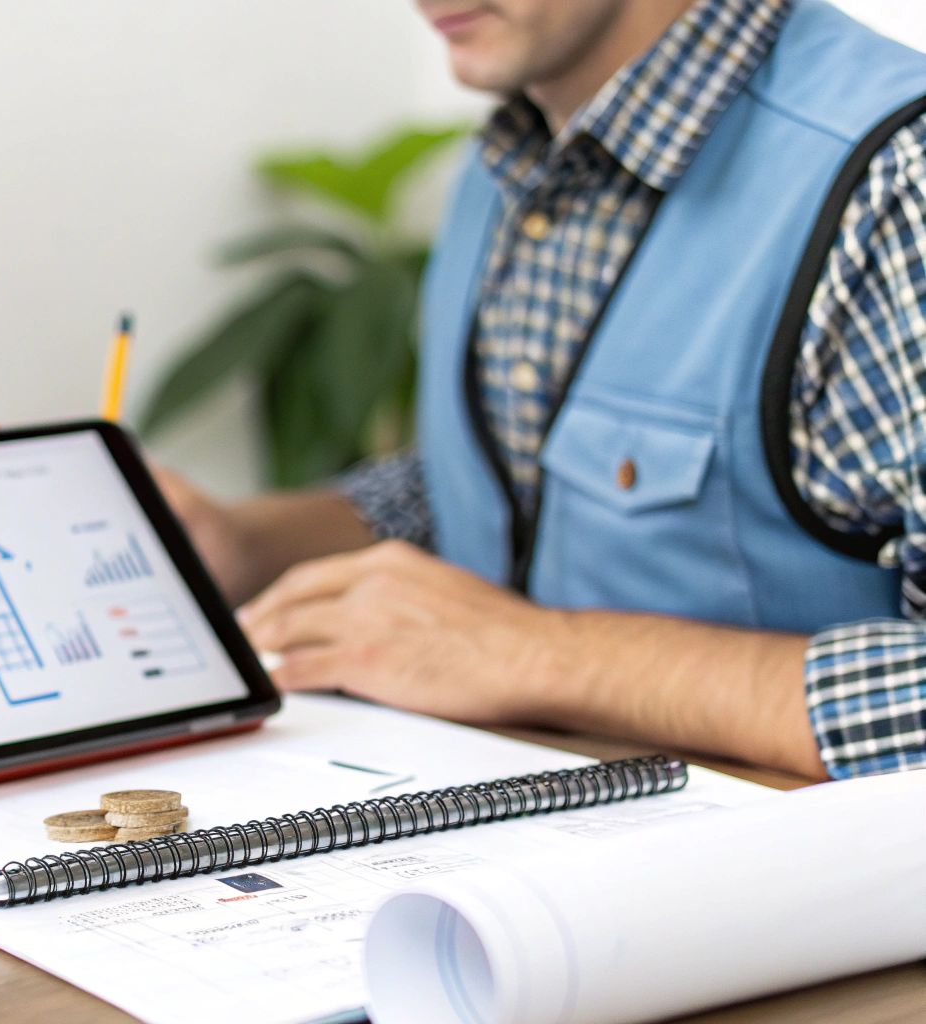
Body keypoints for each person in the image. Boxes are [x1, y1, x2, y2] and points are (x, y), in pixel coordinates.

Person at [160, 0, 926, 780]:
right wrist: (249, 544)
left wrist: (540, 654)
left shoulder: (901, 180)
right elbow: (512, 488)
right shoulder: (502, 165)